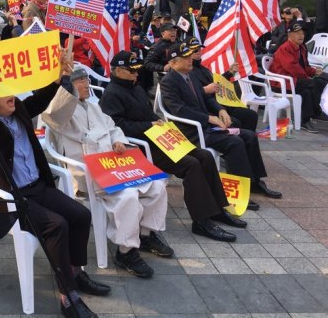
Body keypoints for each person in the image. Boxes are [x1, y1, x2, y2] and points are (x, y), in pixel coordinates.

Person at [0, 57, 110, 318]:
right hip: (14, 198)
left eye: (12, 92)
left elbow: (39, 101)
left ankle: (75, 272)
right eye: (3, 92)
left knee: (80, 215)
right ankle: (68, 296)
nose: (12, 97)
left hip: (38, 187)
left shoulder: (17, 110)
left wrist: (58, 77)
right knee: (57, 225)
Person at [100, 51, 245, 242]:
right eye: (131, 71)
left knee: (205, 156)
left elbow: (147, 113)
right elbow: (117, 126)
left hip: (158, 139)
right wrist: (148, 126)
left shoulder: (135, 87)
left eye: (137, 71)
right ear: (118, 70)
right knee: (191, 164)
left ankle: (216, 209)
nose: (136, 75)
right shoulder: (112, 94)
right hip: (140, 147)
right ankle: (201, 221)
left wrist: (158, 122)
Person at [42, 68, 172, 279]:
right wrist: (65, 83)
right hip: (89, 173)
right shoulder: (60, 112)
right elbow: (53, 115)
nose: (86, 84)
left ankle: (145, 234)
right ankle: (126, 251)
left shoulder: (94, 107)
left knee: (157, 185)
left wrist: (117, 140)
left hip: (115, 166)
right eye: (80, 81)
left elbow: (112, 128)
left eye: (86, 79)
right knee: (128, 196)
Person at [159, 41, 282, 211]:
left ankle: (254, 182)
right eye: (185, 58)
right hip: (191, 130)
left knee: (249, 136)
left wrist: (221, 110)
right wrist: (209, 118)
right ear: (173, 63)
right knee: (235, 142)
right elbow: (179, 110)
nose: (189, 60)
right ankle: (237, 193)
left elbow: (207, 98)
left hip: (205, 125)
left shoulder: (191, 75)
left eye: (189, 56)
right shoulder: (169, 81)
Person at [187, 37, 258, 132]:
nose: (198, 52)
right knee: (235, 123)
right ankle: (239, 141)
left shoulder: (203, 68)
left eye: (199, 49)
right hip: (209, 108)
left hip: (222, 102)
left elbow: (216, 82)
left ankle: (248, 141)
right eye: (195, 50)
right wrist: (205, 89)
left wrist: (229, 73)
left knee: (251, 115)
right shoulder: (187, 71)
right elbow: (188, 92)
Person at [270, 21, 328, 133]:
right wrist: (309, 77)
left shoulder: (302, 47)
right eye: (297, 33)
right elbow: (293, 68)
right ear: (289, 34)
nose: (301, 35)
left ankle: (313, 113)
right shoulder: (285, 48)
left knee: (322, 81)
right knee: (312, 84)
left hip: (296, 81)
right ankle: (310, 117)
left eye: (302, 33)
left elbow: (305, 66)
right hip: (283, 83)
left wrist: (315, 72)